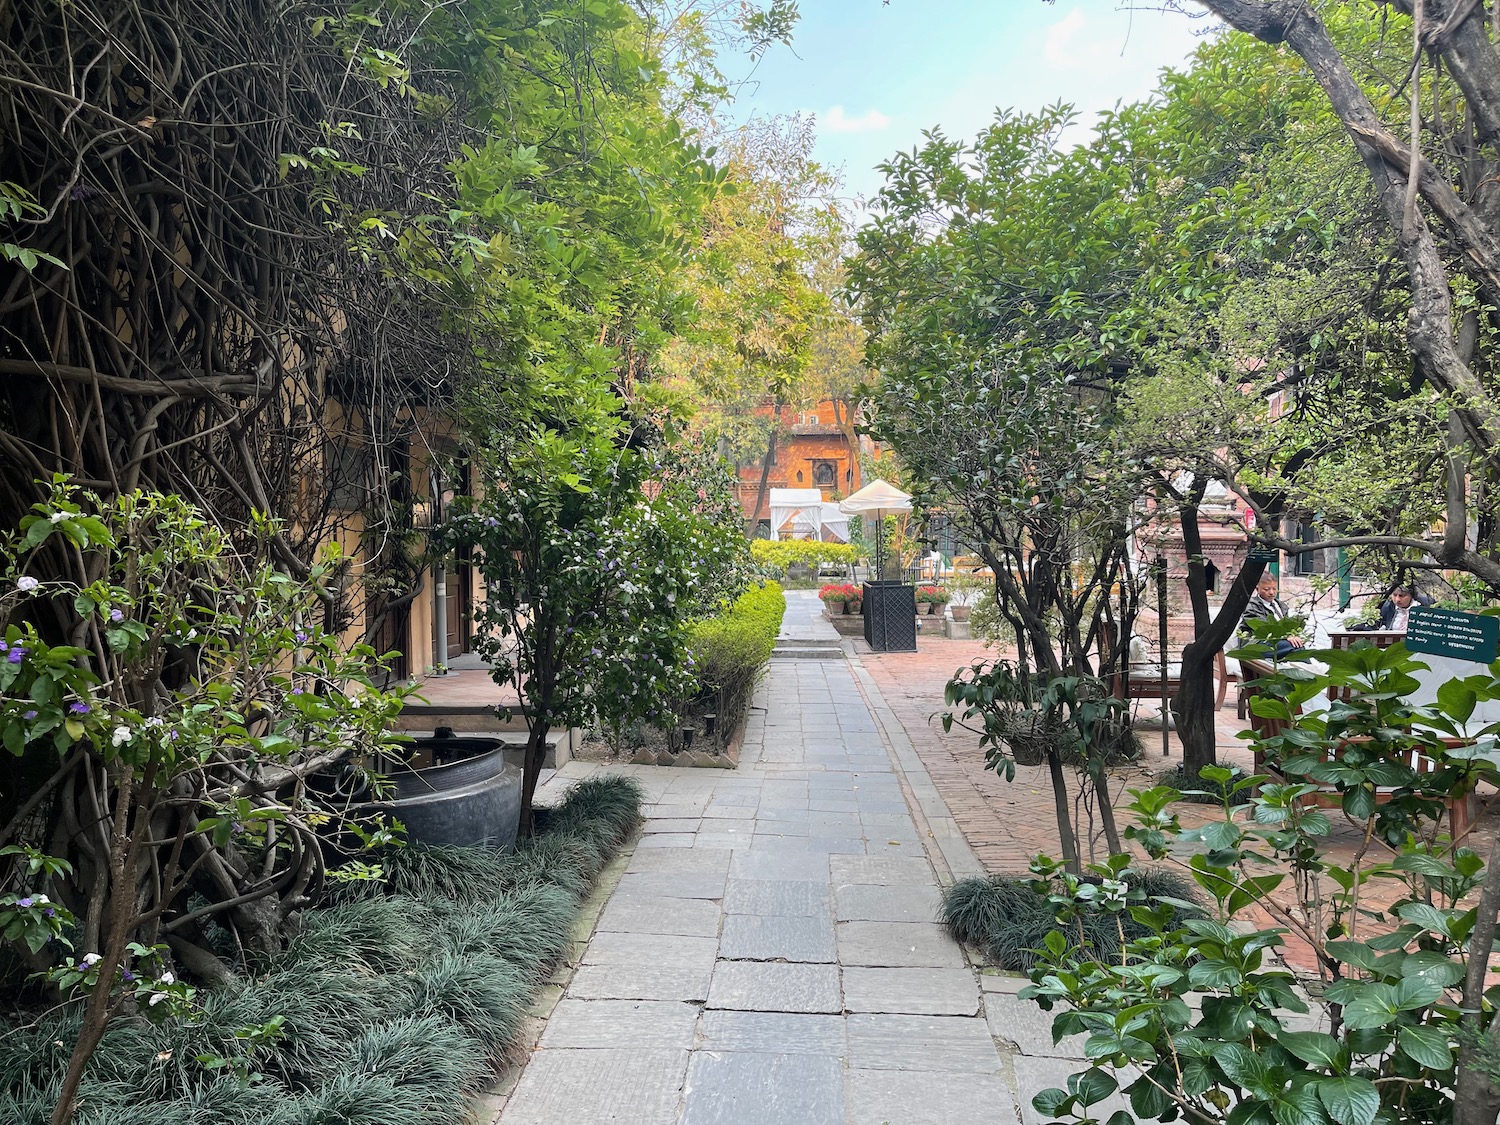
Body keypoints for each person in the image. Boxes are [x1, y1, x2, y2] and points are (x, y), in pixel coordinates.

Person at [1239, 574, 1306, 658]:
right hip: (1256, 643)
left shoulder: (1281, 605)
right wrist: (1286, 637)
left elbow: (1287, 626)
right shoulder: (1251, 606)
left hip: (1277, 642)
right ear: (1257, 589)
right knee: (1295, 647)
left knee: (1298, 645)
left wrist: (1293, 635)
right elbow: (1264, 628)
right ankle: (1310, 668)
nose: (1271, 592)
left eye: (1274, 589)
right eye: (1266, 589)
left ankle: (1307, 668)